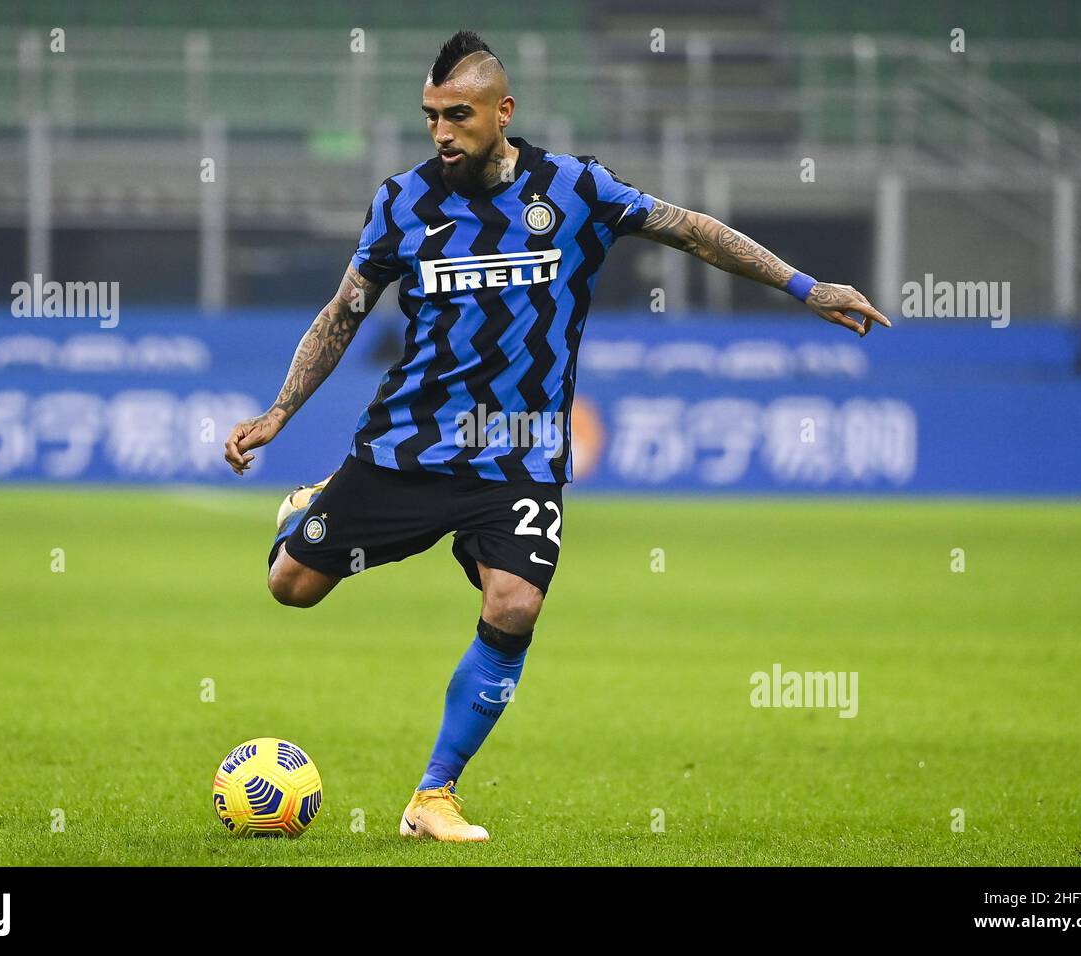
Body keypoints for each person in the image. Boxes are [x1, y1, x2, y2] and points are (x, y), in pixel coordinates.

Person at [224, 30, 890, 843]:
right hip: (410, 445)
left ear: (502, 111)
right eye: (431, 116)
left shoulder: (575, 189)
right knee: (291, 588)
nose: (441, 133)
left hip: (522, 454)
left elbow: (690, 228)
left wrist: (803, 285)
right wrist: (280, 413)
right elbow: (344, 313)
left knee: (516, 604)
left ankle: (433, 795)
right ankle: (313, 507)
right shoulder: (403, 202)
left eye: (457, 116)